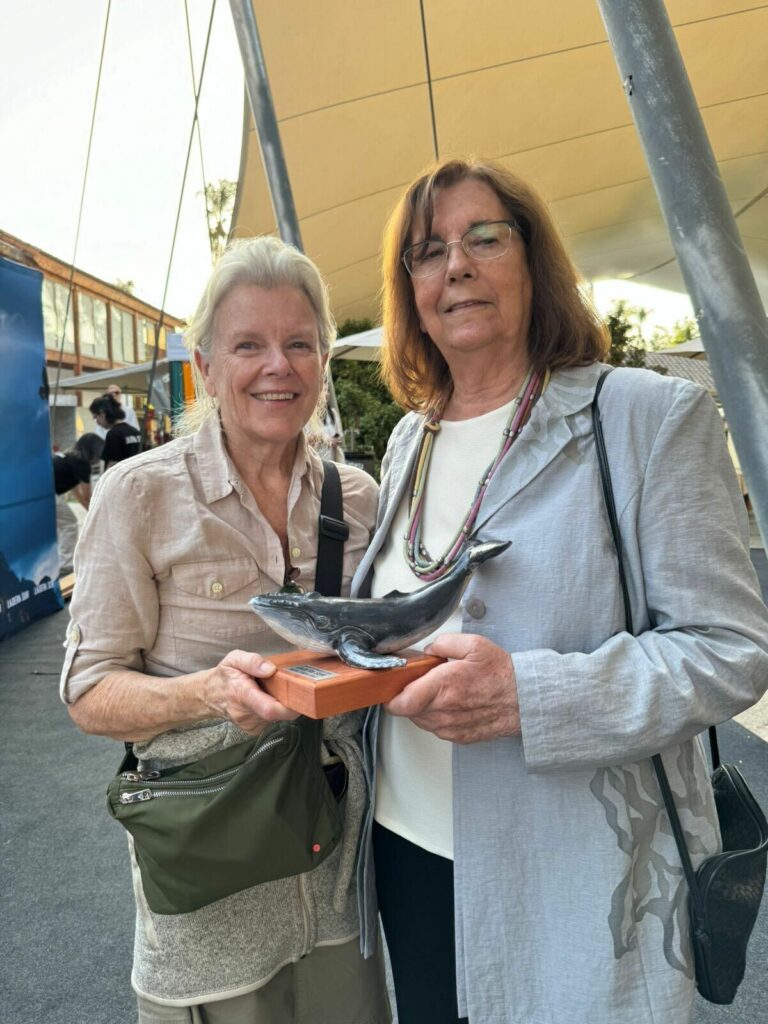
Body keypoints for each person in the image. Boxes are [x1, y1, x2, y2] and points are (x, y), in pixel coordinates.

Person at [349, 158, 768, 1024]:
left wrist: (528, 697)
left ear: (534, 261)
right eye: (427, 252)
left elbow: (731, 651)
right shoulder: (405, 445)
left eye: (484, 237)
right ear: (410, 290)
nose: (456, 264)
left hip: (581, 871)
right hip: (408, 851)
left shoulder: (645, 418)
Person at [61, 236, 389, 1023]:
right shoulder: (139, 497)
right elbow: (87, 691)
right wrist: (211, 693)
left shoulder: (360, 499)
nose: (278, 365)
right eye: (249, 344)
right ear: (205, 367)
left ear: (321, 360)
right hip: (209, 914)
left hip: (340, 894)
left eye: (299, 343)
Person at [52, 432, 104, 574]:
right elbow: (87, 497)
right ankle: (66, 564)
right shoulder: (82, 464)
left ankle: (60, 560)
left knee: (61, 525)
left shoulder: (70, 457)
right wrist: (96, 516)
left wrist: (90, 512)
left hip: (40, 492)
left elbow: (76, 491)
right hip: (48, 494)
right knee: (69, 524)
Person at [89, 393, 142, 467]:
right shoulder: (135, 432)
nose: (97, 422)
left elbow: (113, 464)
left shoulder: (113, 434)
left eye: (95, 417)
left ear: (102, 414)